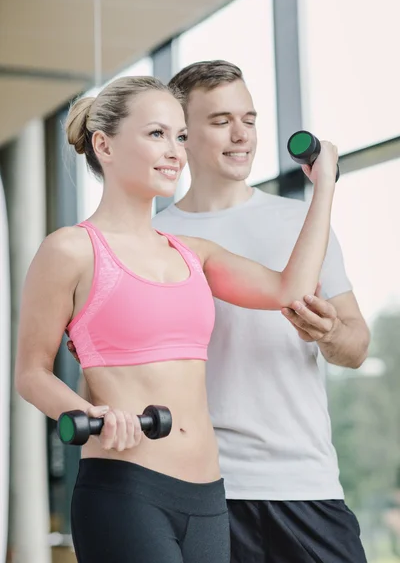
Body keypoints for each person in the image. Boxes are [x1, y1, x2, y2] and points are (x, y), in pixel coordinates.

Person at [15, 74, 339, 563]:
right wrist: (88, 413)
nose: (175, 151)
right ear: (104, 144)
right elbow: (31, 372)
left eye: (180, 136)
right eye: (156, 134)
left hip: (208, 496)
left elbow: (288, 289)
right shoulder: (71, 250)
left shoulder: (192, 253)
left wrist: (324, 189)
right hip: (126, 489)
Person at [152, 61, 370, 563]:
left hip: (304, 482)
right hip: (203, 487)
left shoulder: (302, 222)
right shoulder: (156, 240)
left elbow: (356, 347)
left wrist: (330, 332)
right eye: (220, 120)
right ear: (181, 134)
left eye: (249, 119)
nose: (241, 135)